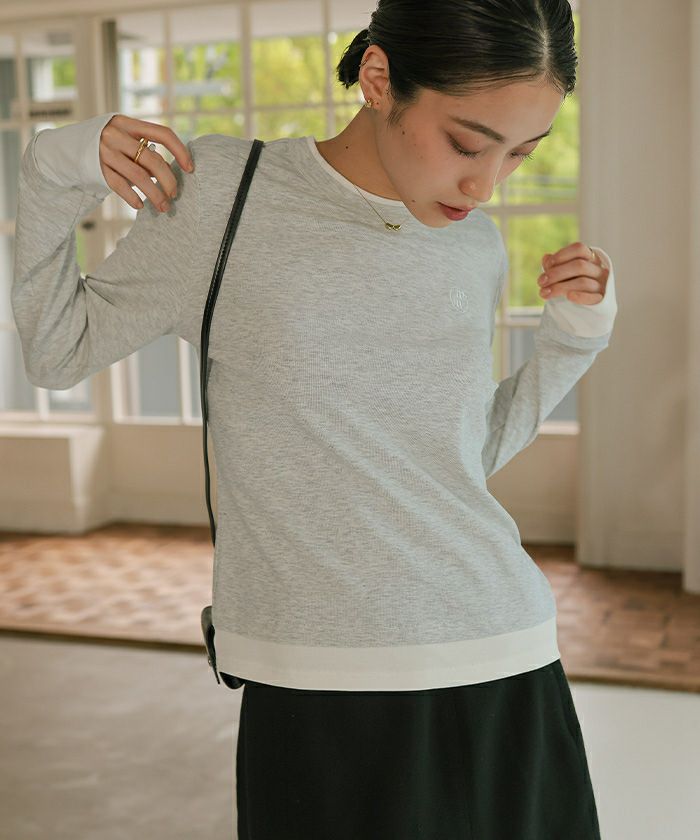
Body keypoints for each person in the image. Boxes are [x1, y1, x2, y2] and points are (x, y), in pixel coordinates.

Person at [12, 1, 616, 837]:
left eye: (522, 153)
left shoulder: (473, 243)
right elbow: (58, 350)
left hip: (506, 653)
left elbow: (460, 456)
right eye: (467, 143)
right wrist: (52, 169)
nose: (486, 185)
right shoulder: (222, 195)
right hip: (316, 678)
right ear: (379, 79)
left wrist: (574, 341)